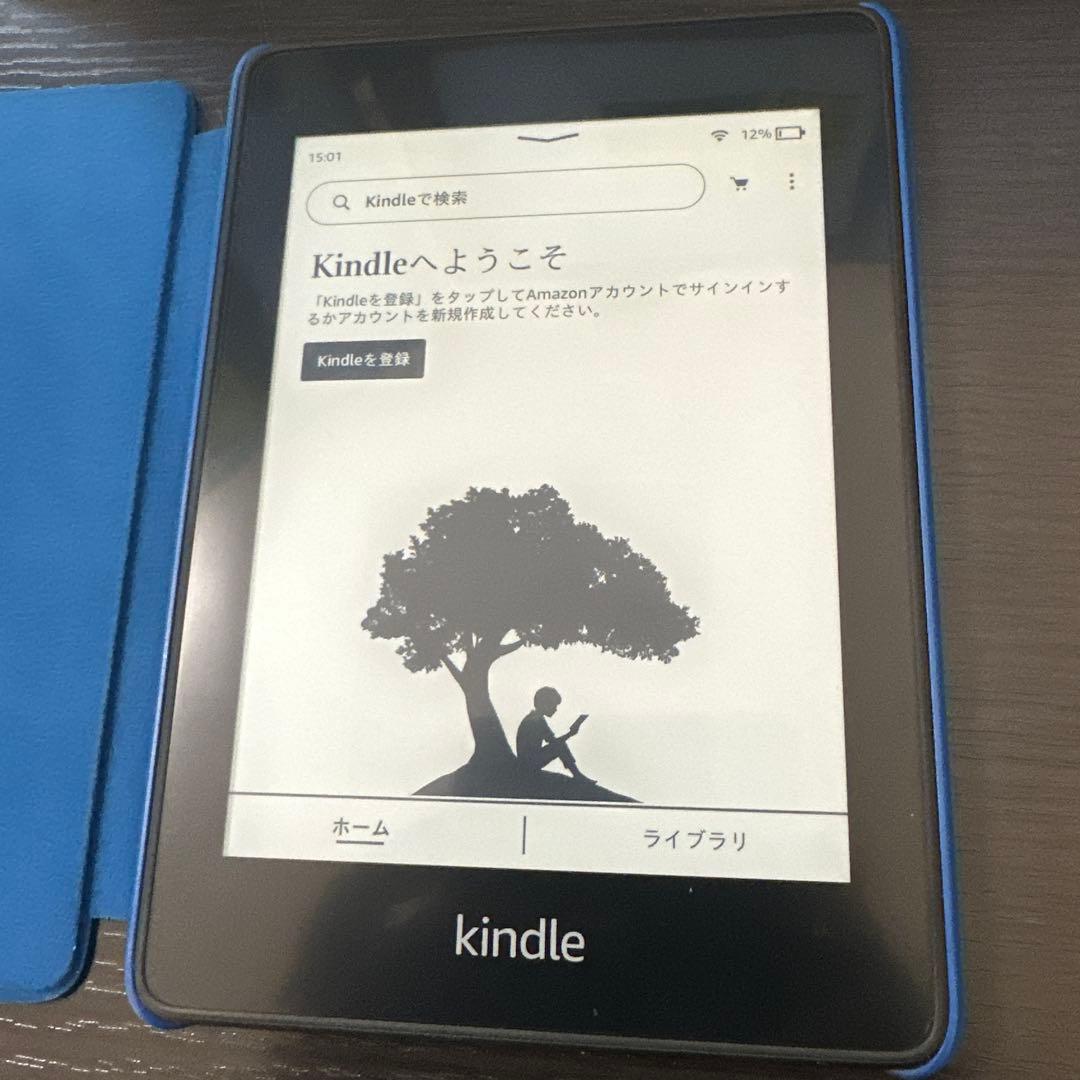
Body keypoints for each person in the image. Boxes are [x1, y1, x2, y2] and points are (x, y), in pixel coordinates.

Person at [515, 687, 596, 783]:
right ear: (545, 704)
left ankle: (577, 774)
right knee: (560, 746)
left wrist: (569, 734)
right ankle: (577, 775)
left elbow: (552, 741)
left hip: (530, 759)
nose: (555, 709)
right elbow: (554, 742)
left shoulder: (535, 718)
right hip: (528, 762)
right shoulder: (536, 720)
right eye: (553, 705)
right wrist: (570, 734)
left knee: (559, 745)